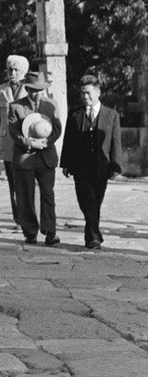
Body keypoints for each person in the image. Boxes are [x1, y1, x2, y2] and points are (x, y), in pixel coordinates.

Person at [60, 75, 122, 250]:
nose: (85, 97)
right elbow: (68, 141)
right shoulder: (75, 114)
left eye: (88, 93)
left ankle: (92, 236)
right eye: (82, 93)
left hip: (101, 167)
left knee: (96, 201)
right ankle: (94, 236)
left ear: (98, 92)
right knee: (86, 200)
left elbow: (116, 142)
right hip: (80, 167)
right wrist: (65, 163)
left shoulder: (112, 115)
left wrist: (116, 165)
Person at [8, 70, 63, 246]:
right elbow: (13, 132)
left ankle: (50, 231)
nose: (37, 94)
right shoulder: (16, 106)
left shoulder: (51, 105)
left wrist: (46, 142)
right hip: (25, 156)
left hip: (46, 157)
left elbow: (57, 128)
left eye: (40, 90)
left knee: (48, 194)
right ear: (27, 89)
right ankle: (30, 231)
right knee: (25, 195)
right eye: (33, 90)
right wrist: (30, 143)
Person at [0, 55, 30, 233]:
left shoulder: (30, 90)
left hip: (26, 142)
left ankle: (30, 214)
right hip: (8, 143)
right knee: (12, 183)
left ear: (23, 72)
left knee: (28, 182)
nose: (12, 73)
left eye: (16, 70)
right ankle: (18, 217)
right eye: (10, 70)